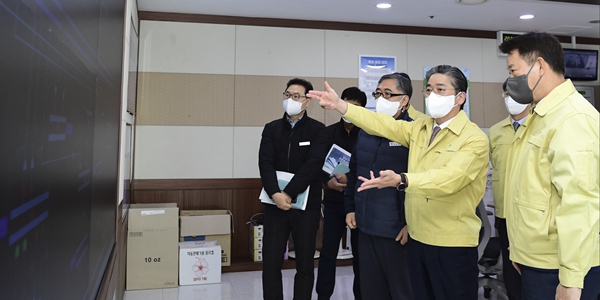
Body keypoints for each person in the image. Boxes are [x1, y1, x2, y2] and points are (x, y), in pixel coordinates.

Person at [308, 65, 490, 300]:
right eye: (429, 89)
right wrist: (342, 107)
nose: (432, 95)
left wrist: (402, 179)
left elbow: (450, 179)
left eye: (440, 89)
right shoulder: (421, 128)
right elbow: (382, 124)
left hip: (450, 242)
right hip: (418, 237)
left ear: (460, 97)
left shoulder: (474, 138)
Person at [498, 32, 600, 300]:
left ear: (540, 66)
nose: (511, 81)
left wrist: (571, 279)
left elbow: (580, 203)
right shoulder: (541, 114)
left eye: (514, 71)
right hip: (537, 259)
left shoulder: (571, 119)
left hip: (560, 267)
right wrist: (520, 250)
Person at [345, 72, 414, 300]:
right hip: (365, 226)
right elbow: (353, 171)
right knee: (371, 291)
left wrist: (410, 224)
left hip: (396, 231)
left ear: (404, 100)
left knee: (402, 291)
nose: (381, 99)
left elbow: (419, 182)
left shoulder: (414, 133)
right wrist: (350, 208)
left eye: (388, 94)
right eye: (378, 93)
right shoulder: (366, 130)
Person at [258, 78, 328, 300]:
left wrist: (287, 193)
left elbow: (314, 166)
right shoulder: (271, 128)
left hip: (306, 206)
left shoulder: (318, 130)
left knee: (305, 264)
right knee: (270, 262)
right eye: (287, 95)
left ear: (307, 102)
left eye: (297, 96)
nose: (291, 100)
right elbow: (265, 164)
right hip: (275, 204)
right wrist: (276, 195)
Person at [316, 87, 366, 300]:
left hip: (358, 202)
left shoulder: (368, 134)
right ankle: (323, 295)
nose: (349, 109)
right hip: (334, 201)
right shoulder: (327, 133)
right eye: (346, 103)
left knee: (361, 254)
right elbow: (316, 164)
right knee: (328, 251)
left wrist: (351, 181)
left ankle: (361, 295)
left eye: (355, 106)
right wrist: (327, 182)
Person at [488, 79, 529, 300]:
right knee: (512, 275)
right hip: (504, 216)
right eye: (507, 92)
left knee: (533, 274)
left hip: (532, 216)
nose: (511, 97)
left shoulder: (540, 127)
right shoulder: (496, 131)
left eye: (517, 92)